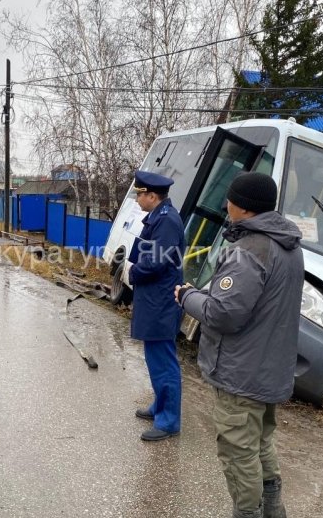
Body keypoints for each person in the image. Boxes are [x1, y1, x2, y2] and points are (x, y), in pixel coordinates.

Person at [175, 172, 304, 518]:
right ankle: (274, 511)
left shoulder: (250, 250)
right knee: (261, 444)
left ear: (243, 208)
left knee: (238, 452)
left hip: (242, 374)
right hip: (268, 370)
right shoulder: (287, 246)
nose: (225, 205)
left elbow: (224, 314)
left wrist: (188, 297)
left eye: (229, 199)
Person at [128, 170, 186, 442]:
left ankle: (169, 421)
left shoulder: (167, 221)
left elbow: (156, 261)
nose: (137, 199)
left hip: (161, 301)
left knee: (163, 362)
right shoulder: (157, 217)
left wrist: (133, 273)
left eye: (139, 194)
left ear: (152, 195)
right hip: (154, 299)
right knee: (155, 358)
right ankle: (160, 406)